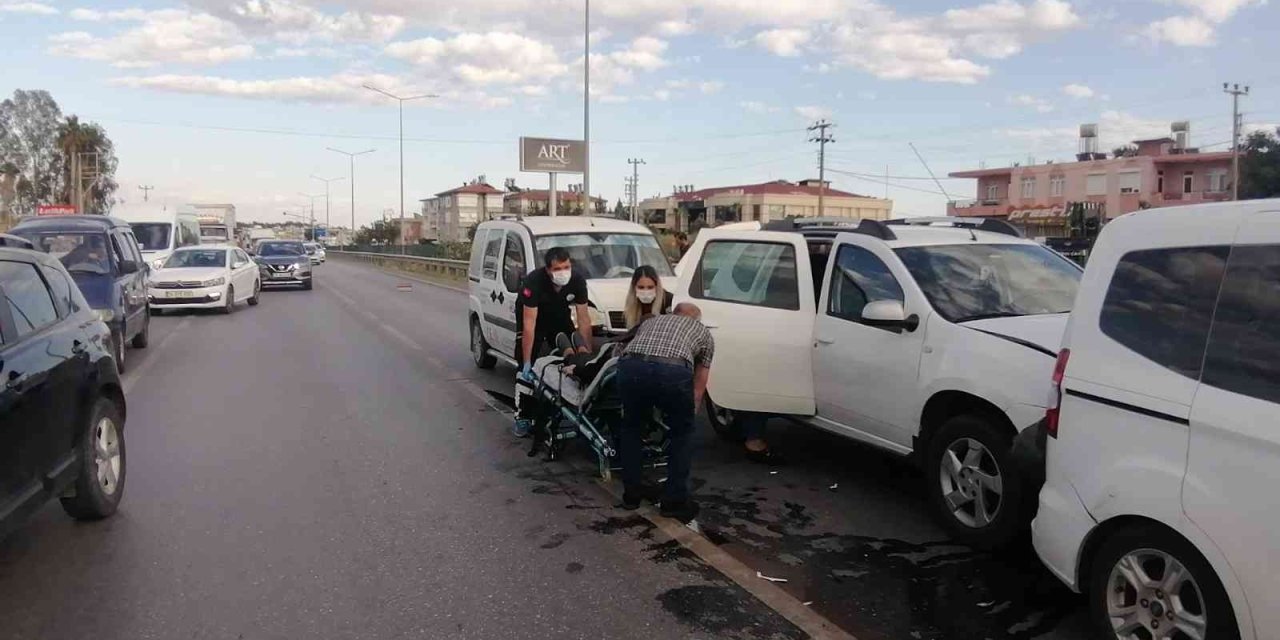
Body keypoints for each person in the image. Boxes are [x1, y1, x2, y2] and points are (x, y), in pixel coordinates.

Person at [616, 302, 714, 523]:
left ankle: (631, 496)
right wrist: (689, 414)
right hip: (673, 370)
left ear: (673, 313)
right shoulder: (704, 333)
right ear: (696, 320)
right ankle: (674, 502)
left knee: (631, 428)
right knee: (682, 434)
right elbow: (699, 385)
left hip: (631, 366)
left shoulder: (652, 321)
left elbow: (627, 348)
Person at [513, 247, 592, 436]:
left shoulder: (577, 280)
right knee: (527, 366)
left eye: (567, 267)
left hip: (559, 316)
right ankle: (522, 415)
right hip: (533, 318)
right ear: (548, 270)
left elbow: (584, 318)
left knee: (571, 353)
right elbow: (529, 325)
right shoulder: (533, 282)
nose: (563, 272)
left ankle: (563, 402)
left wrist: (587, 356)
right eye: (558, 269)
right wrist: (526, 362)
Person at [621, 265, 672, 330]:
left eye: (650, 287)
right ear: (634, 287)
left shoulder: (668, 301)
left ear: (656, 286)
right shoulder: (632, 304)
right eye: (641, 287)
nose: (646, 291)